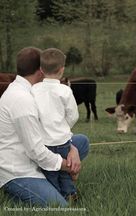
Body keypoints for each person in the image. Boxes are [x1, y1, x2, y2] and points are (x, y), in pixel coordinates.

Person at [0, 47, 89, 207]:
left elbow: (51, 127)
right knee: (60, 207)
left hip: (37, 153)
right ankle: (19, 193)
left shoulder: (31, 90)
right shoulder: (21, 99)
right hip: (19, 169)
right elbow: (35, 151)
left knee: (81, 141)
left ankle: (53, 181)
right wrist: (69, 166)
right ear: (41, 71)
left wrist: (71, 148)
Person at [31, 48, 83, 201]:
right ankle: (69, 194)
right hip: (62, 141)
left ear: (41, 70)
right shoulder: (65, 90)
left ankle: (55, 196)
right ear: (62, 70)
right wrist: (64, 127)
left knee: (50, 171)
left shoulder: (33, 89)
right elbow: (73, 115)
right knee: (64, 171)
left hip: (42, 142)